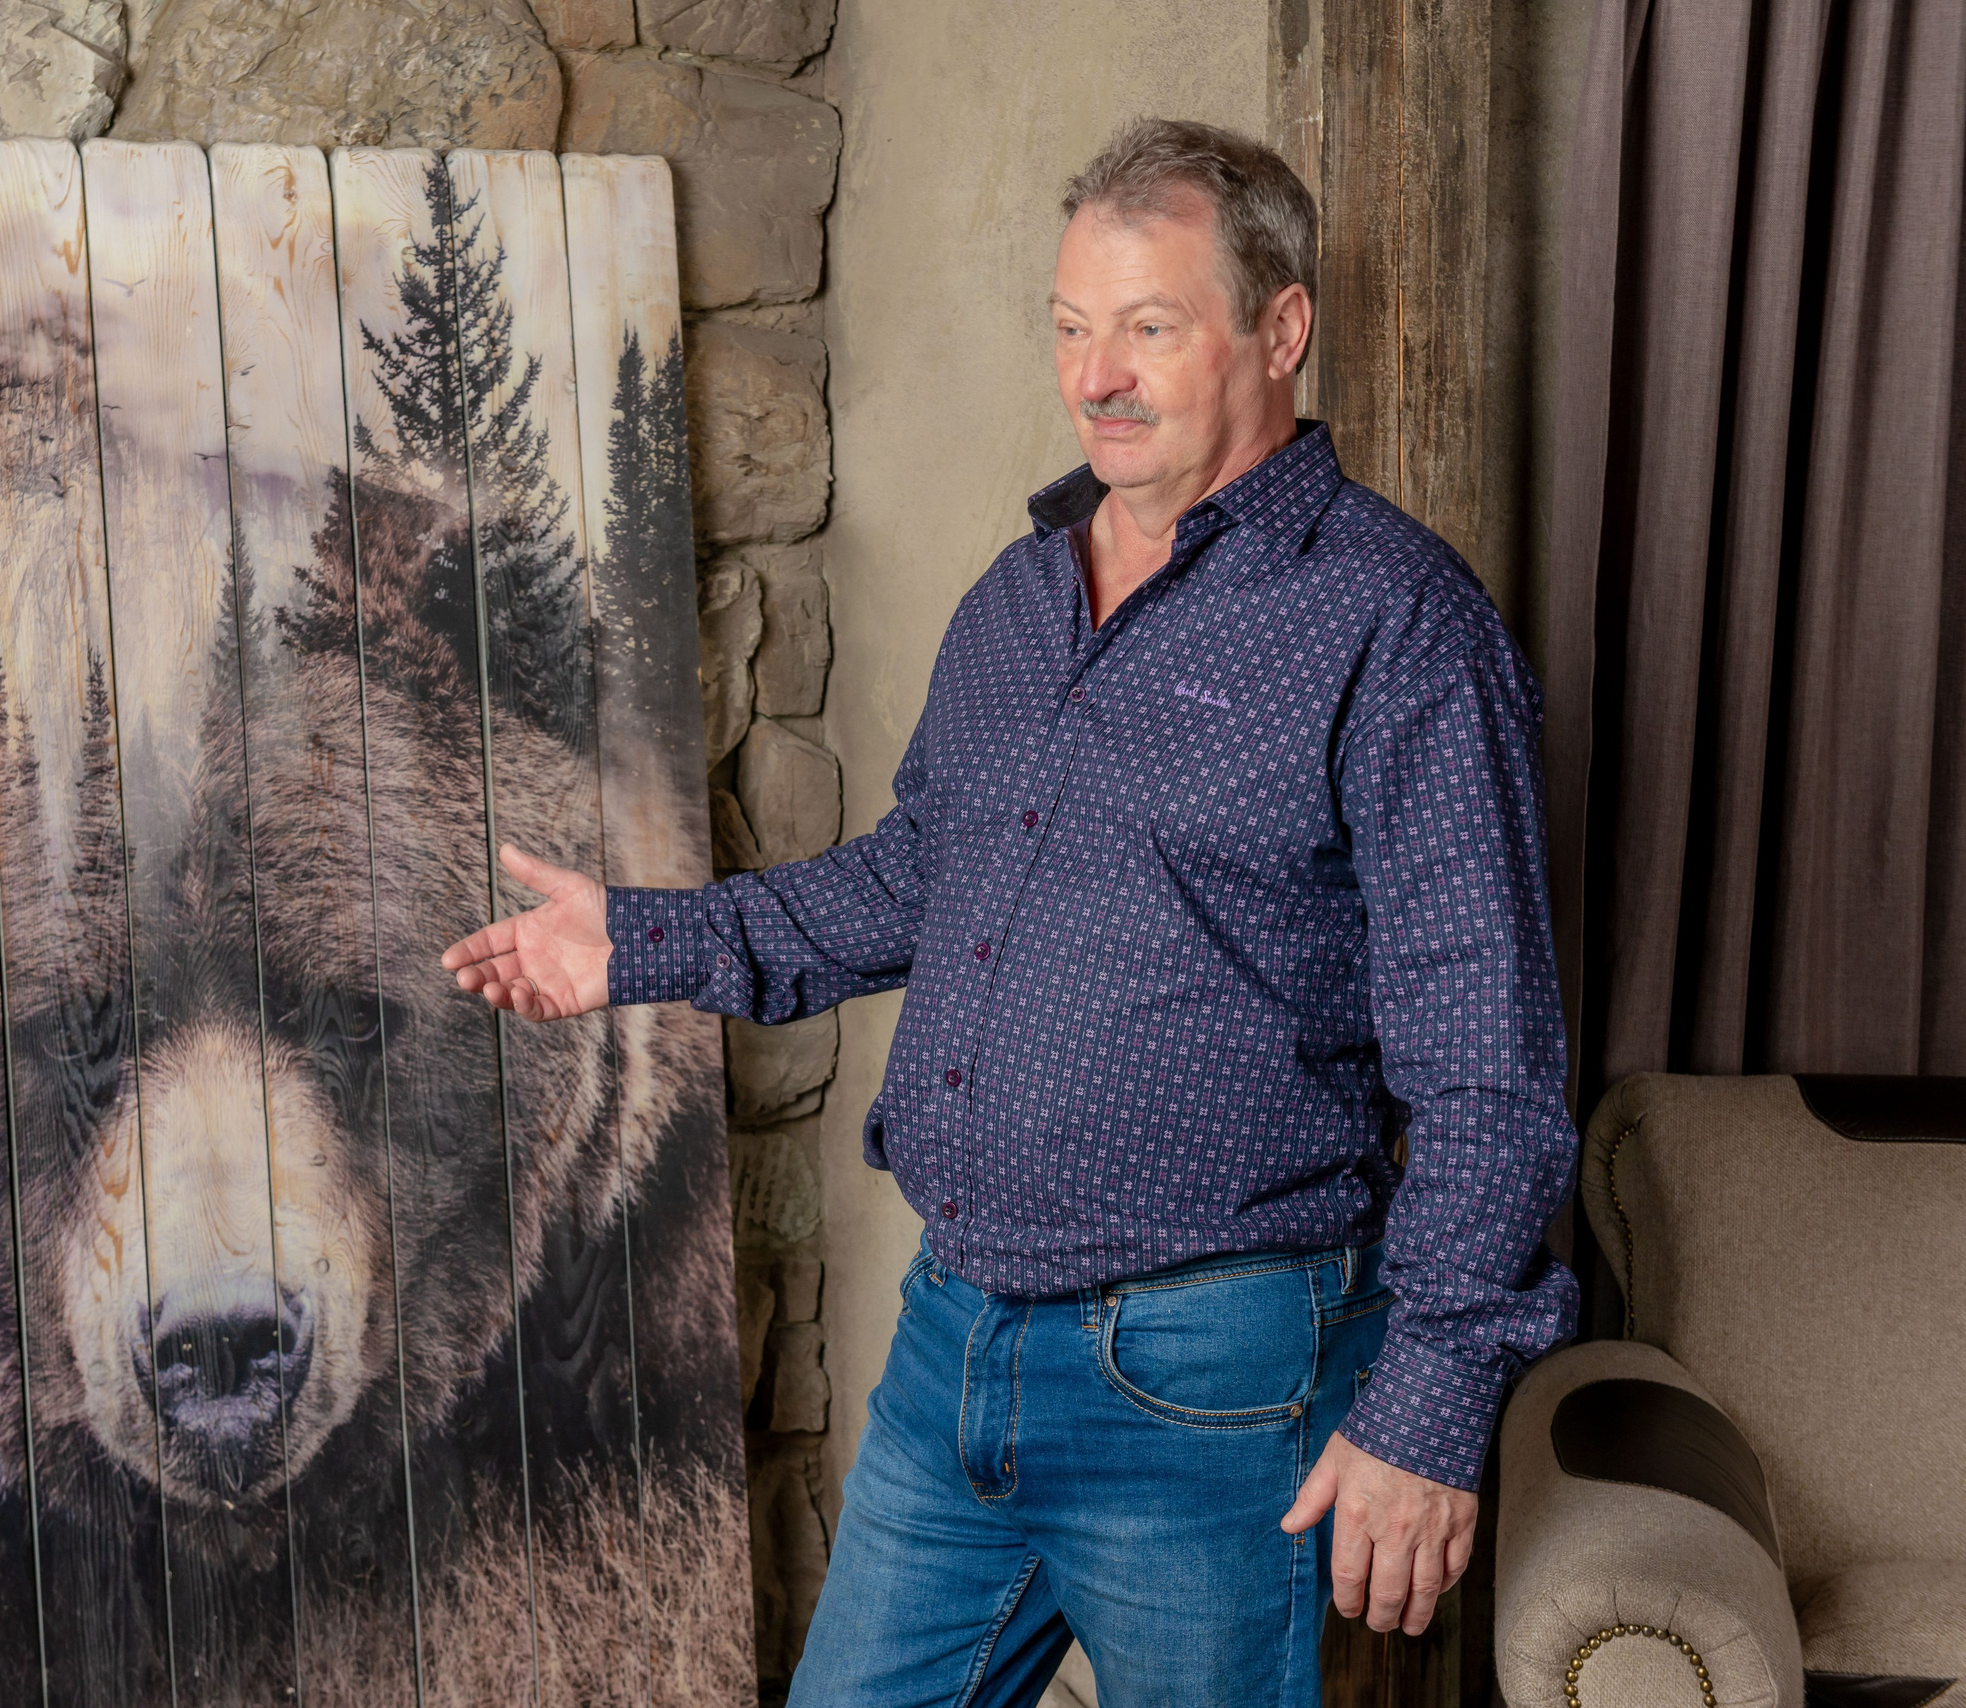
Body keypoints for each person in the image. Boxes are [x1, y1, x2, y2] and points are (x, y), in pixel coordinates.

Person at [440, 116, 1578, 1707]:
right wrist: (637, 941)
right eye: (1069, 327)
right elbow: (918, 879)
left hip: (1211, 1390)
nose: (1095, 374)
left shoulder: (1398, 626)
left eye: (1148, 326)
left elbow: (1490, 1067)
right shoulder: (1021, 597)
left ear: (1282, 327)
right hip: (954, 1348)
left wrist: (1432, 1401)